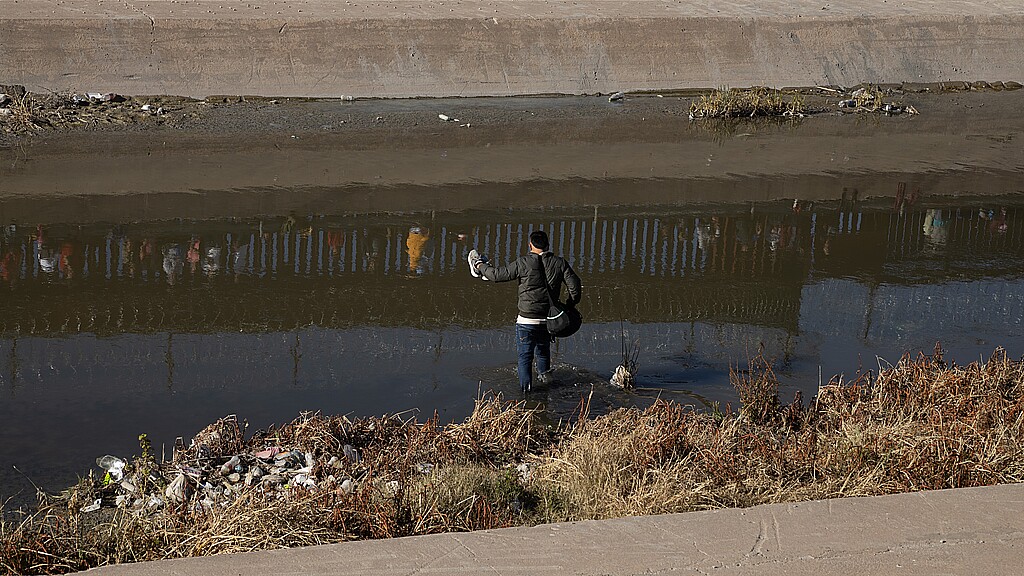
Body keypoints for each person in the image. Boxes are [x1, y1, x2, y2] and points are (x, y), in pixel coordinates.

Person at [468, 230, 582, 392]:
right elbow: (575, 286)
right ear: (548, 245)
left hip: (526, 320)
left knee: (525, 358)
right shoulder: (559, 263)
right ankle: (547, 389)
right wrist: (570, 305)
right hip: (548, 320)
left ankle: (526, 394)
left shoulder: (523, 263)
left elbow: (497, 275)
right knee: (543, 353)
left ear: (530, 245)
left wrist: (480, 265)